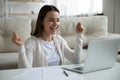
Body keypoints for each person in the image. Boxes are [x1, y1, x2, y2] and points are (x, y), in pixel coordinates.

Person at [12, 5, 84, 68]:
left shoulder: (59, 40)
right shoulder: (31, 42)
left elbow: (76, 61)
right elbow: (25, 72)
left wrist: (79, 35)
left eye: (58, 20)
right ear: (41, 21)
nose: (56, 24)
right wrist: (21, 47)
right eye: (51, 20)